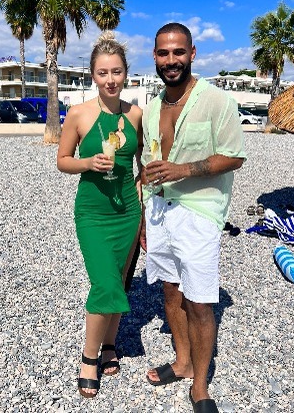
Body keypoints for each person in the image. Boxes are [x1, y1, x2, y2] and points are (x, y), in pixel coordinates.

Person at [140, 23, 245, 413]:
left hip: (199, 213)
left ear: (193, 53)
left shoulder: (216, 101)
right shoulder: (152, 109)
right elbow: (147, 165)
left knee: (200, 302)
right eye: (164, 53)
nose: (171, 61)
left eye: (178, 52)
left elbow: (234, 156)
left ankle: (200, 386)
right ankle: (182, 363)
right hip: (158, 210)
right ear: (154, 56)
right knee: (170, 291)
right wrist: (141, 220)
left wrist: (182, 170)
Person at [56, 32, 143, 398]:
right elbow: (62, 161)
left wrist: (142, 189)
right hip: (92, 212)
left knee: (120, 281)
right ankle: (89, 356)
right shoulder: (78, 114)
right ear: (92, 75)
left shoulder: (135, 114)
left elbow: (145, 162)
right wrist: (88, 163)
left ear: (126, 74)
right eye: (103, 72)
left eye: (117, 72)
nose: (111, 79)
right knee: (104, 281)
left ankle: (110, 344)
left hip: (127, 212)